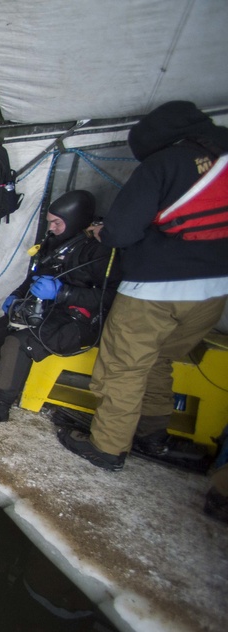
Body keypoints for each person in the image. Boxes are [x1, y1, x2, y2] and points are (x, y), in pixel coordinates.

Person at [55, 102, 228, 501]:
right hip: (213, 292)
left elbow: (121, 231)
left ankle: (107, 447)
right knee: (160, 362)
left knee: (126, 367)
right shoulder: (221, 157)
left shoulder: (165, 164)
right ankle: (153, 436)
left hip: (155, 289)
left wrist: (103, 233)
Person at [0, 191, 120, 426]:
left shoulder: (100, 252)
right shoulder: (54, 244)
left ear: (75, 219)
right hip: (45, 310)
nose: (51, 227)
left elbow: (110, 298)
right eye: (50, 221)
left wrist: (63, 293)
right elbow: (34, 278)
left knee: (17, 342)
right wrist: (17, 296)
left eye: (57, 222)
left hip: (78, 321)